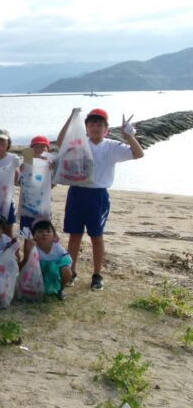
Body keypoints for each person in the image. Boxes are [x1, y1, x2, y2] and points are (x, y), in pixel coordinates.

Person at [56, 108, 143, 290]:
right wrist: (72, 118)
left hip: (98, 196)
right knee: (74, 235)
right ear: (85, 127)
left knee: (96, 236)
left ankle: (97, 274)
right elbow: (60, 141)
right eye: (91, 124)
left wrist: (129, 137)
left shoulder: (111, 146)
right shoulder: (80, 143)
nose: (95, 128)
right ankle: (71, 271)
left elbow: (138, 154)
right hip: (77, 192)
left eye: (99, 124)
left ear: (106, 129)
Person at [21, 219, 73, 300]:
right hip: (37, 276)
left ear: (54, 236)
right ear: (34, 235)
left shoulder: (57, 248)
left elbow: (67, 262)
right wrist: (28, 251)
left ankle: (60, 289)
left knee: (67, 270)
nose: (44, 234)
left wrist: (52, 266)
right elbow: (22, 268)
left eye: (48, 231)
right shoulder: (33, 248)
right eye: (40, 231)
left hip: (53, 274)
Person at [18, 135, 53, 232]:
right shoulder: (25, 163)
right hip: (27, 206)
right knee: (27, 234)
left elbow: (53, 184)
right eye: (36, 146)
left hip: (44, 206)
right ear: (31, 149)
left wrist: (51, 170)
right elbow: (19, 182)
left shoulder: (51, 164)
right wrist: (21, 171)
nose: (39, 149)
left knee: (43, 233)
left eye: (42, 146)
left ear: (48, 149)